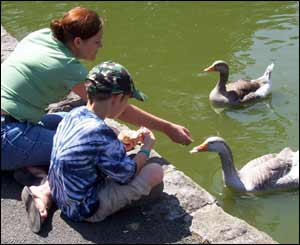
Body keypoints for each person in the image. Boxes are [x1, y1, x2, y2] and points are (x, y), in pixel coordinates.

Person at [1, 6, 192, 181]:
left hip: (15, 121)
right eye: (96, 41)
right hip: (8, 134)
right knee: (91, 150)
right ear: (78, 41)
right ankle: (43, 187)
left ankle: (32, 167)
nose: (100, 46)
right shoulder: (68, 67)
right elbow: (118, 109)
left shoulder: (41, 36)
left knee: (67, 121)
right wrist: (167, 128)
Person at [21, 61, 164, 233]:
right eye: (126, 100)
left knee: (121, 148)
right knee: (155, 172)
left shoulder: (74, 114)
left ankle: (45, 192)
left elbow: (93, 149)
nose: (126, 106)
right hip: (84, 208)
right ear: (117, 98)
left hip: (63, 193)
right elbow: (127, 174)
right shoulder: (100, 132)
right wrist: (146, 148)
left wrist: (120, 145)